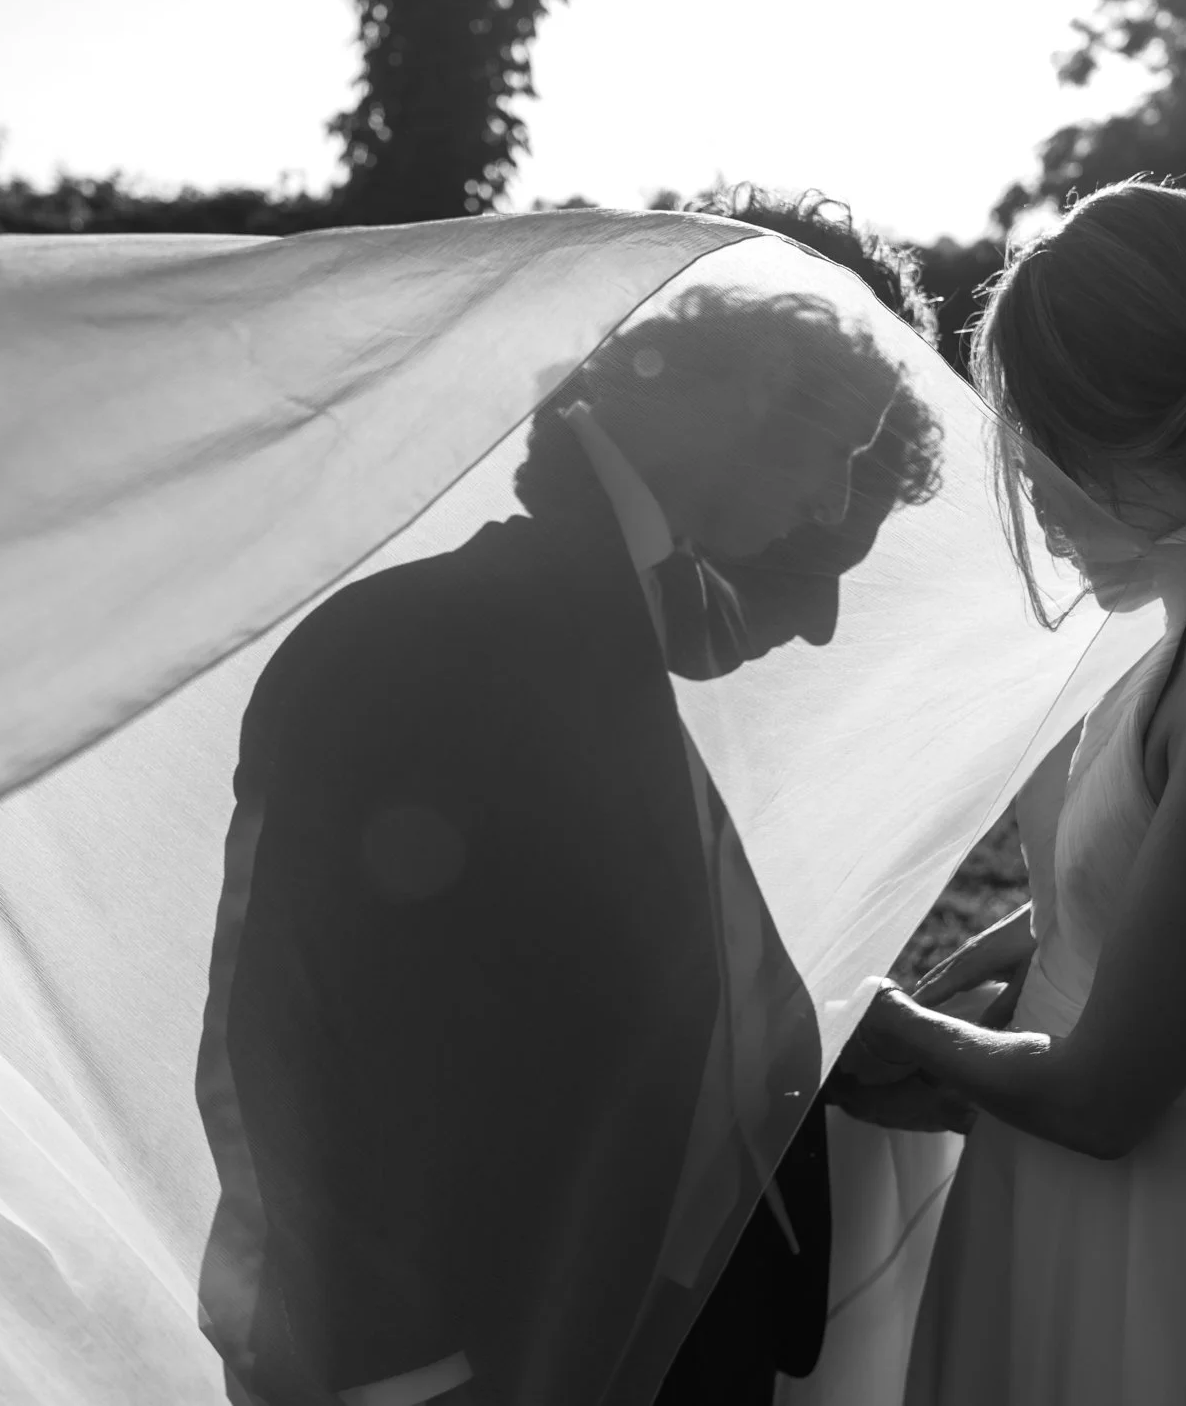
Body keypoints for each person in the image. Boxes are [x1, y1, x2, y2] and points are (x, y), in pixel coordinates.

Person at [196, 278, 936, 1406]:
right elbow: (287, 1029)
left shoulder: (605, 629)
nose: (831, 502)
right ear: (733, 419)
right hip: (474, 1349)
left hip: (614, 1321)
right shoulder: (423, 640)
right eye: (833, 453)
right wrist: (397, 1366)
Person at [835, 178, 1186, 1405]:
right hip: (1049, 1189)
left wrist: (894, 1026)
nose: (1024, 479)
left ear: (1112, 425)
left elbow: (1105, 1096)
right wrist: (971, 982)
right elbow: (1124, 882)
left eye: (1027, 432)